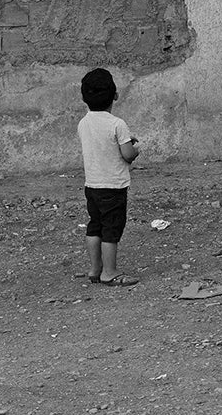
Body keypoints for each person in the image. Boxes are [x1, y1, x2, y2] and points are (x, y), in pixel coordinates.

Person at [77, 67, 140, 287]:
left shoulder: (83, 123)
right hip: (113, 187)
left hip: (92, 185)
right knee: (111, 230)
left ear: (85, 97)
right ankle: (110, 272)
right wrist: (135, 147)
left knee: (95, 226)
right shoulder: (117, 124)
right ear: (114, 95)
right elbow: (127, 155)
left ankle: (95, 269)